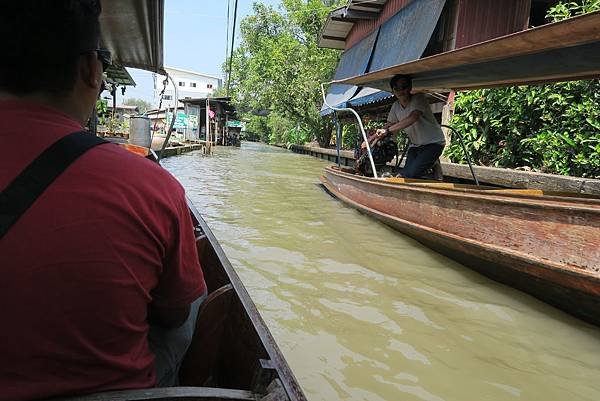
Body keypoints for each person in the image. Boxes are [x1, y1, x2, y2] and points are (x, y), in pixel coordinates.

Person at [0, 1, 206, 399]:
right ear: (91, 71)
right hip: (109, 390)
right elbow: (173, 313)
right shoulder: (151, 186)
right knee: (195, 299)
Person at [374, 74, 445, 179]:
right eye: (396, 88)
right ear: (393, 91)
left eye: (404, 87)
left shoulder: (418, 98)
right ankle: (430, 167)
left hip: (433, 143)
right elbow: (389, 124)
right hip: (415, 146)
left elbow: (412, 118)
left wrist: (388, 131)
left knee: (411, 174)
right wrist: (370, 139)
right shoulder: (396, 106)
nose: (400, 91)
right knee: (406, 174)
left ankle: (434, 164)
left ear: (410, 88)